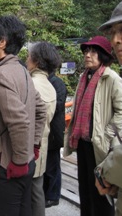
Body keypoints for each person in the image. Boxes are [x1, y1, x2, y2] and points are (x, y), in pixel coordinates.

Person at [0, 15, 47, 216]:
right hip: (26, 159)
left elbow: (18, 120)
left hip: (8, 163)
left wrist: (18, 162)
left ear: (2, 42)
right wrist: (33, 146)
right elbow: (40, 110)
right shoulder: (22, 70)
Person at [63, 36, 122, 216]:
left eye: (93, 52)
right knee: (85, 188)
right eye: (86, 52)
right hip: (83, 142)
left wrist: (106, 135)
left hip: (100, 143)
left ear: (103, 55)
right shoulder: (85, 76)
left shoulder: (111, 78)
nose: (87, 55)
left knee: (101, 191)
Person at [95, 0, 122, 216]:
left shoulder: (112, 77)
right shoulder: (85, 78)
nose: (116, 40)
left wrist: (106, 171)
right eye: (112, 32)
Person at [26, 42, 58, 216]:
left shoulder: (30, 84)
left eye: (29, 56)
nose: (26, 59)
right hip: (42, 143)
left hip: (29, 144)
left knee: (29, 191)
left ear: (36, 60)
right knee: (37, 188)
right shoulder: (50, 86)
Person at [43, 72, 67, 208]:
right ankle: (47, 193)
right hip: (47, 129)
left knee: (52, 165)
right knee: (46, 165)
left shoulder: (57, 82)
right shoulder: (46, 81)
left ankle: (53, 196)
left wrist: (43, 106)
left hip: (54, 131)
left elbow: (58, 105)